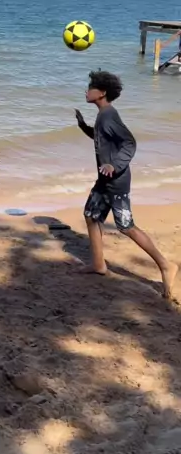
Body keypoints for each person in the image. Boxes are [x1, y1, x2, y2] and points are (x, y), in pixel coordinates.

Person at [75, 69, 178, 299]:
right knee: (91, 215)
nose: (86, 91)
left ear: (102, 93)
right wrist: (83, 126)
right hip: (105, 180)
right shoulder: (103, 116)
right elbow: (103, 138)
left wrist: (114, 165)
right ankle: (98, 264)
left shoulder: (109, 116)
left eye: (90, 88)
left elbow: (129, 143)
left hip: (116, 182)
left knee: (126, 226)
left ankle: (166, 265)